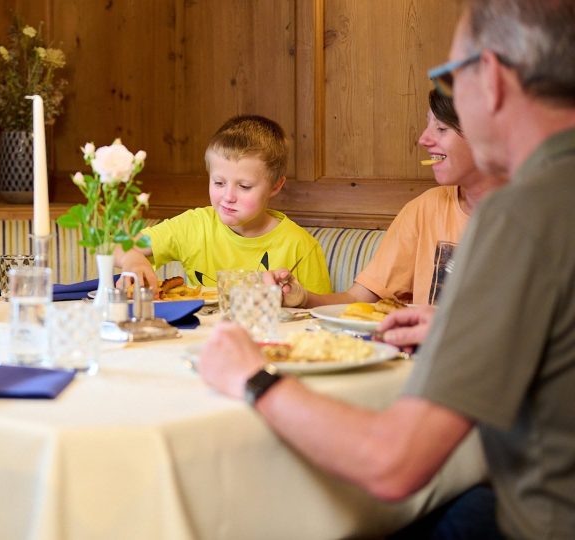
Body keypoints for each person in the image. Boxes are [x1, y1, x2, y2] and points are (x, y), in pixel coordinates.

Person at [198, 0, 575, 538]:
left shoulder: (521, 213)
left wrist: (250, 377)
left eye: (449, 78)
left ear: (488, 78)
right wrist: (454, 328)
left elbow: (391, 463)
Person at [266, 90, 506, 308]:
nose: (423, 139)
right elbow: (358, 299)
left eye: (441, 129)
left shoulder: (533, 214)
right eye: (427, 126)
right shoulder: (425, 209)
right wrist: (302, 298)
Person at [115, 114, 331, 294]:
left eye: (244, 186)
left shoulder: (300, 246)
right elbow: (110, 245)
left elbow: (319, 317)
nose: (228, 196)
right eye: (219, 182)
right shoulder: (194, 225)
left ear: (275, 186)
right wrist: (133, 260)